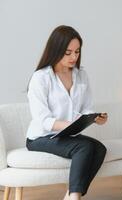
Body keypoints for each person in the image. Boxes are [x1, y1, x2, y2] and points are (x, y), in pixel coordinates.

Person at [26, 25, 108, 200]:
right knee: (84, 147)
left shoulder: (81, 75)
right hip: (41, 137)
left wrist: (95, 118)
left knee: (99, 148)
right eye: (68, 52)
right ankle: (75, 196)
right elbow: (42, 119)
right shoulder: (41, 78)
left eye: (77, 52)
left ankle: (70, 195)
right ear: (56, 50)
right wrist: (70, 125)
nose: (74, 57)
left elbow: (86, 107)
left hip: (65, 134)